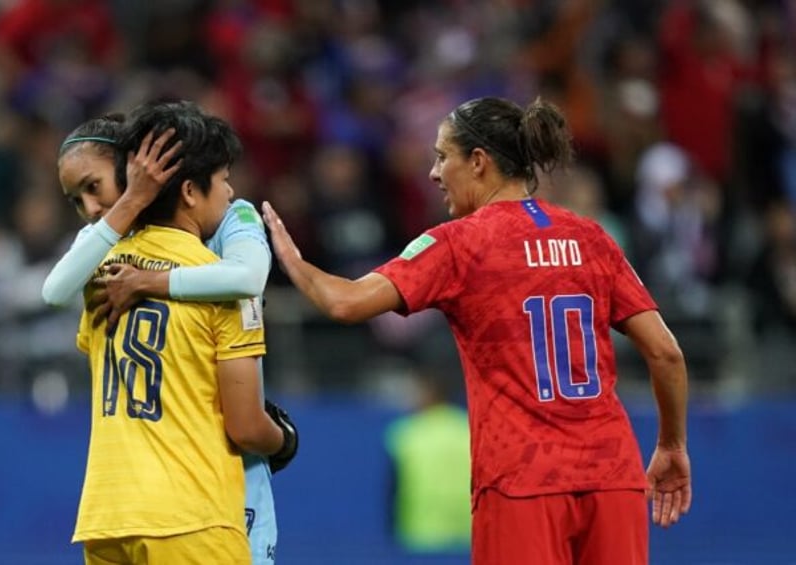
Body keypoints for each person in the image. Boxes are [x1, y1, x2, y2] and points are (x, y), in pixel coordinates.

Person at [262, 96, 692, 565]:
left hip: (521, 480)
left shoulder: (458, 244)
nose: (433, 172)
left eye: (442, 156)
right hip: (613, 474)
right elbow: (666, 353)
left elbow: (345, 302)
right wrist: (671, 444)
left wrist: (292, 262)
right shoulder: (592, 238)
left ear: (479, 162)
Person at [42, 105, 295, 564]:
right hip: (193, 512)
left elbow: (56, 291)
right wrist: (286, 440)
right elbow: (244, 424)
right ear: (193, 190)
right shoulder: (211, 276)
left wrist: (150, 279)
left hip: (108, 514)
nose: (91, 210)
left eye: (94, 188)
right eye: (223, 179)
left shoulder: (103, 275)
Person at [384, 368, 471, 553]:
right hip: (467, 534)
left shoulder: (405, 433)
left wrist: (392, 531)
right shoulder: (468, 428)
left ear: (430, 393)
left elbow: (393, 488)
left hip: (421, 535)